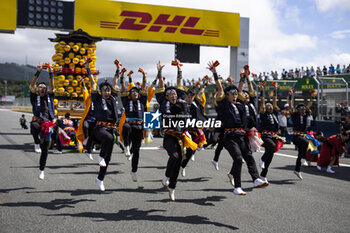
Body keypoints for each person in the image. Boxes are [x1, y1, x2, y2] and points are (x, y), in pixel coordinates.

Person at [210, 62, 267, 195]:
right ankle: (237, 187)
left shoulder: (240, 105)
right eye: (232, 94)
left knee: (249, 156)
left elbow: (241, 89)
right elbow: (220, 88)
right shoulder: (223, 104)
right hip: (229, 137)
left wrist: (245, 75)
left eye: (236, 94)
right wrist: (214, 73)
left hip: (241, 136)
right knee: (237, 159)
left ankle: (256, 179)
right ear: (227, 95)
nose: (235, 95)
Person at [155, 60, 194, 201]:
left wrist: (179, 69)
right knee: (175, 156)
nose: (173, 95)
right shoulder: (162, 101)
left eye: (174, 94)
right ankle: (166, 176)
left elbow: (179, 84)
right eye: (170, 93)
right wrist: (159, 72)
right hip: (169, 136)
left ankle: (172, 187)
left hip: (182, 136)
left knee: (179, 161)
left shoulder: (181, 102)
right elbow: (161, 85)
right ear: (166, 96)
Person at [85, 59, 121, 191]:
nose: (107, 92)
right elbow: (93, 83)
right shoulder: (97, 98)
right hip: (99, 128)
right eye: (104, 90)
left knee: (108, 158)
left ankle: (100, 179)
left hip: (110, 129)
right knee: (108, 139)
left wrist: (117, 69)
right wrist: (88, 69)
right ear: (101, 91)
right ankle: (99, 155)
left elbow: (115, 82)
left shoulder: (114, 98)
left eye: (108, 90)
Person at [120, 68, 148, 182]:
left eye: (136, 92)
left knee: (136, 150)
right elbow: (122, 87)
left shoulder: (142, 101)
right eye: (132, 92)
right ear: (129, 95)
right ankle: (126, 147)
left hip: (139, 127)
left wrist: (144, 75)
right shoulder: (126, 101)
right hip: (129, 126)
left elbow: (144, 87)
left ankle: (134, 171)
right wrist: (122, 75)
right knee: (125, 126)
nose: (135, 93)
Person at [29, 64, 56, 180]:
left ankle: (41, 170)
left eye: (44, 87)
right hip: (37, 121)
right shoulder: (34, 97)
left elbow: (52, 85)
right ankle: (36, 142)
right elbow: (32, 84)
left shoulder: (49, 96)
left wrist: (50, 73)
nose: (42, 88)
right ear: (37, 89)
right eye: (40, 87)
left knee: (45, 150)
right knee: (34, 126)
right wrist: (38, 71)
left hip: (47, 124)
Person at [180, 78, 208, 177]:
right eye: (188, 97)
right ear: (185, 97)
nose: (190, 98)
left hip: (195, 129)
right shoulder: (182, 105)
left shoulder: (197, 104)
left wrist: (203, 85)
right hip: (184, 130)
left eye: (192, 97)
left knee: (192, 149)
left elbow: (200, 93)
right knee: (180, 151)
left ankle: (182, 166)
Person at [288, 90, 314, 180]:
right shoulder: (295, 115)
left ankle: (297, 170)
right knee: (306, 143)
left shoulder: (306, 115)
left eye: (304, 109)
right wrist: (290, 96)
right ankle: (304, 158)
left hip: (302, 136)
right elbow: (290, 105)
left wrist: (312, 96)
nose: (303, 110)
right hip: (296, 136)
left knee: (300, 153)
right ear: (298, 110)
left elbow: (309, 104)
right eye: (301, 109)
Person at [258, 85, 281, 183]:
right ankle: (262, 159)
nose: (270, 107)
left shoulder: (274, 114)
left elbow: (275, 102)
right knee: (271, 146)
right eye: (268, 106)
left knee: (270, 155)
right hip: (265, 136)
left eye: (271, 106)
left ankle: (263, 174)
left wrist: (275, 90)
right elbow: (262, 103)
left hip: (273, 136)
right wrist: (261, 91)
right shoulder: (263, 114)